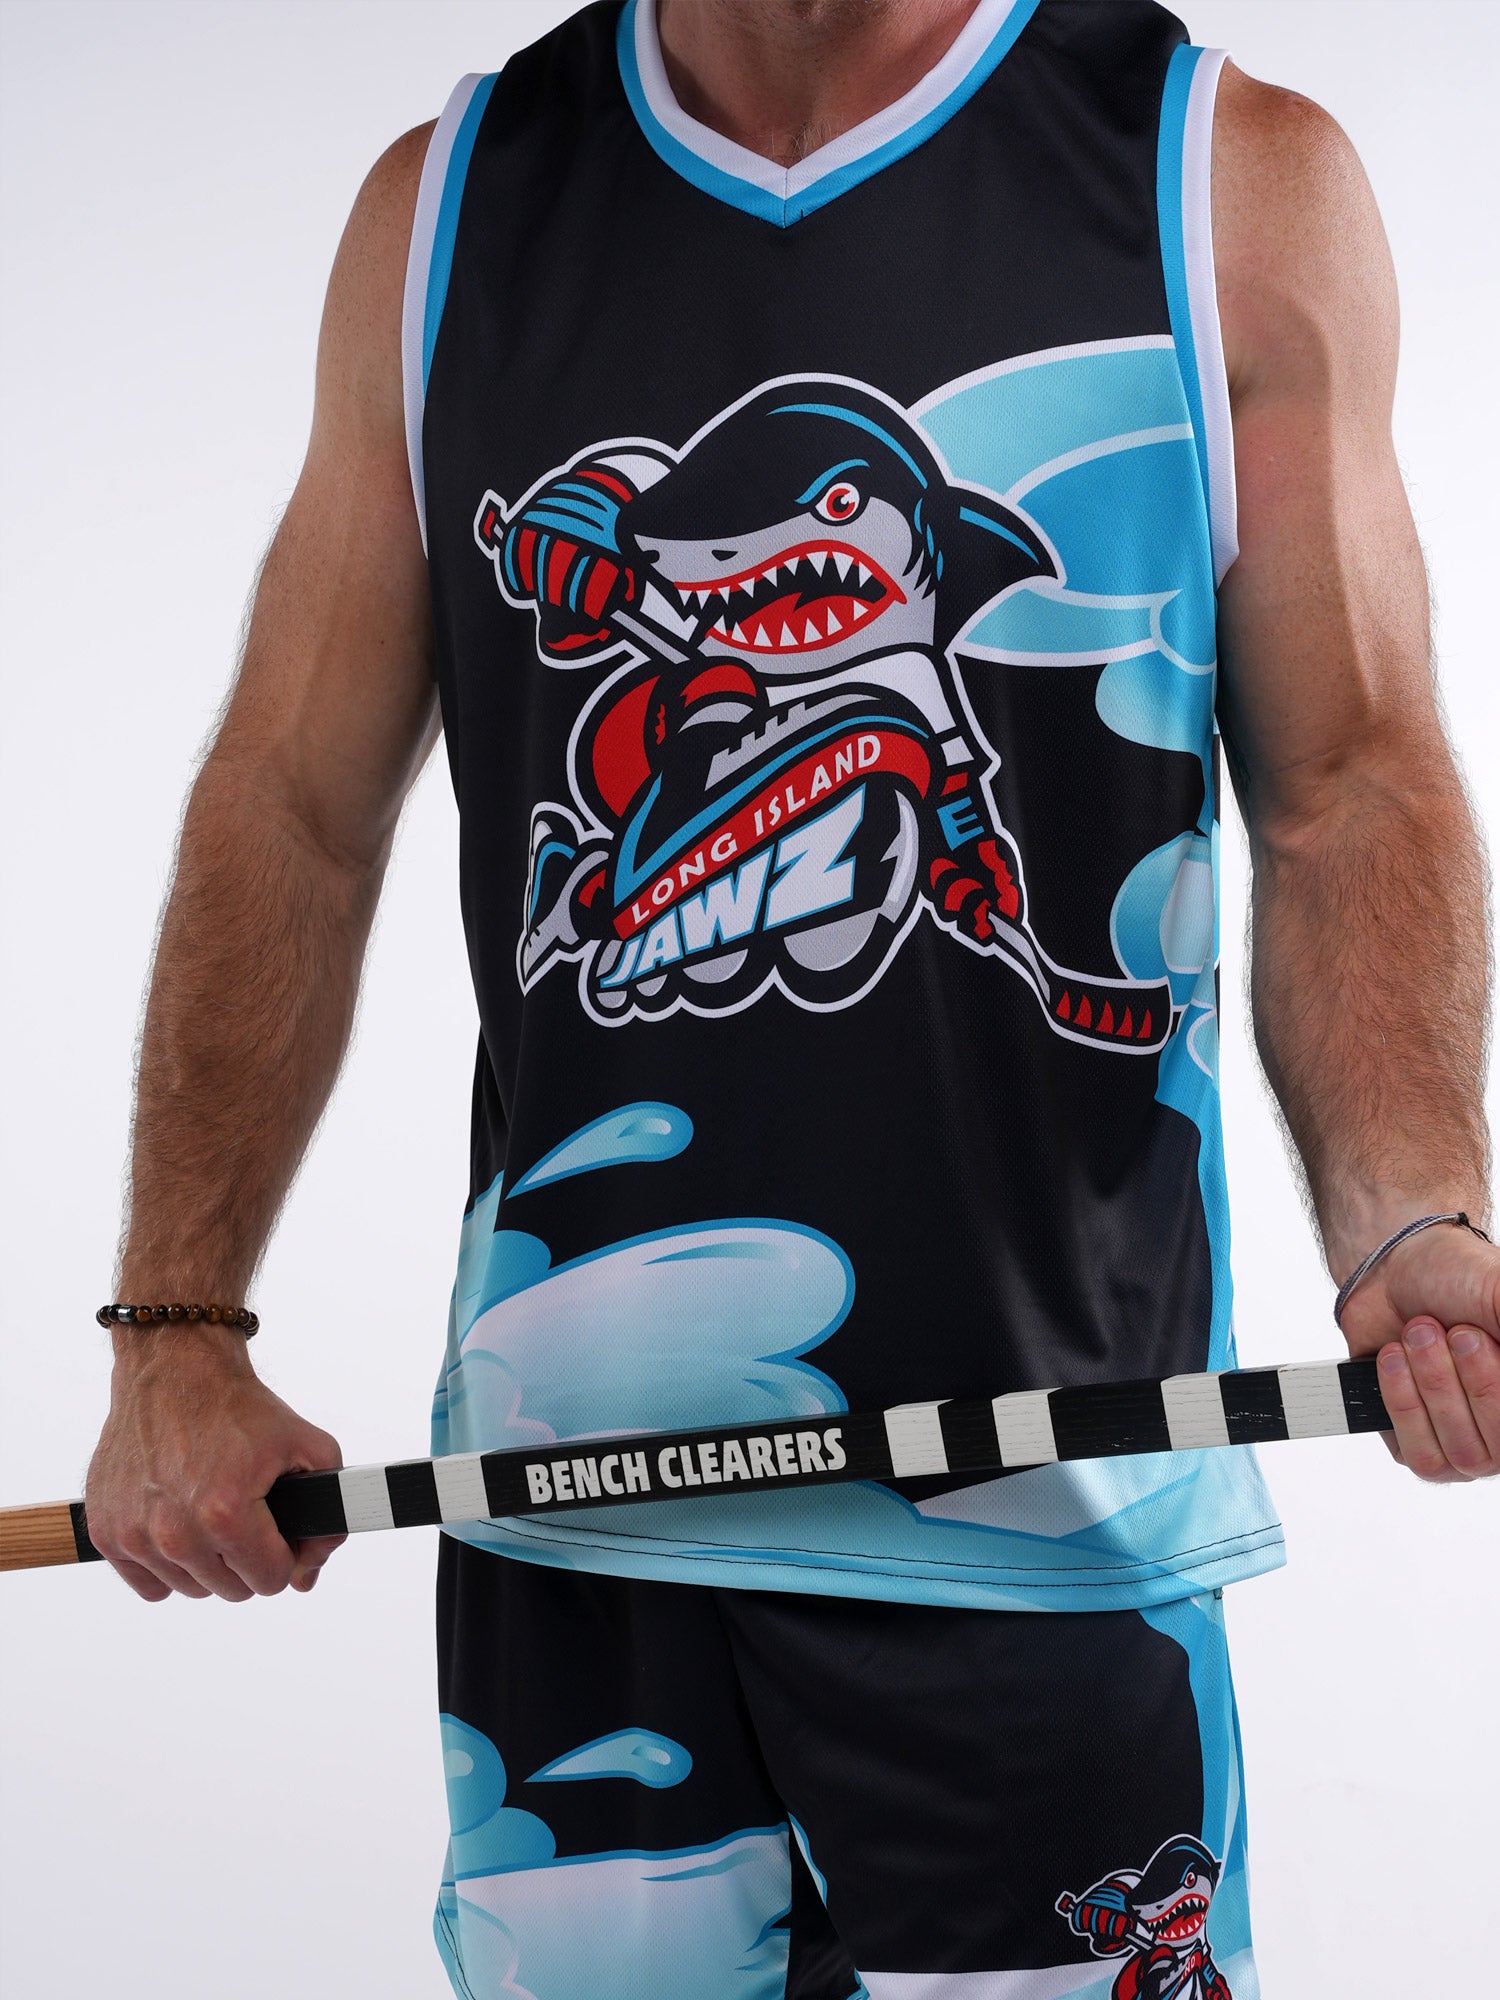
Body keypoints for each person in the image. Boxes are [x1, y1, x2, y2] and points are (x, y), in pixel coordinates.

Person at [82, 2, 1497, 1996]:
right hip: (574, 1529)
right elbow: (292, 804)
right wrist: (174, 1332)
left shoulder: (1222, 178)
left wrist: (1419, 1212)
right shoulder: (452, 210)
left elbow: (1349, 779)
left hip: (1050, 1516)